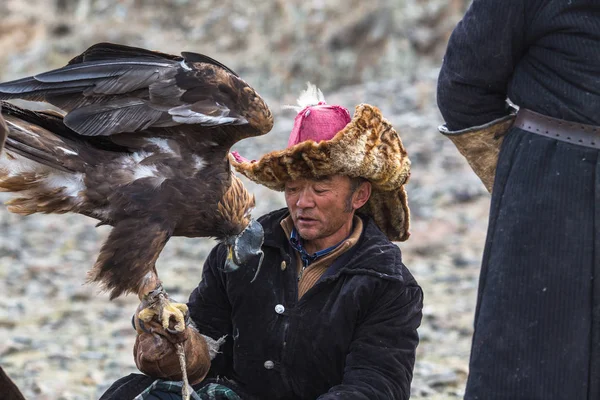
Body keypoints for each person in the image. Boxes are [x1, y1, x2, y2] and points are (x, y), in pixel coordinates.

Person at [100, 87, 423, 400]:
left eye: (320, 189)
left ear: (359, 195)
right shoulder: (242, 254)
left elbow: (379, 384)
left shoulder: (388, 283)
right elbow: (209, 350)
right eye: (293, 188)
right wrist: (177, 347)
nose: (303, 202)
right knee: (131, 392)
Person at [437, 1, 600, 399]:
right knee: (531, 363)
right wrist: (523, 178)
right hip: (550, 185)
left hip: (546, 174)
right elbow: (464, 84)